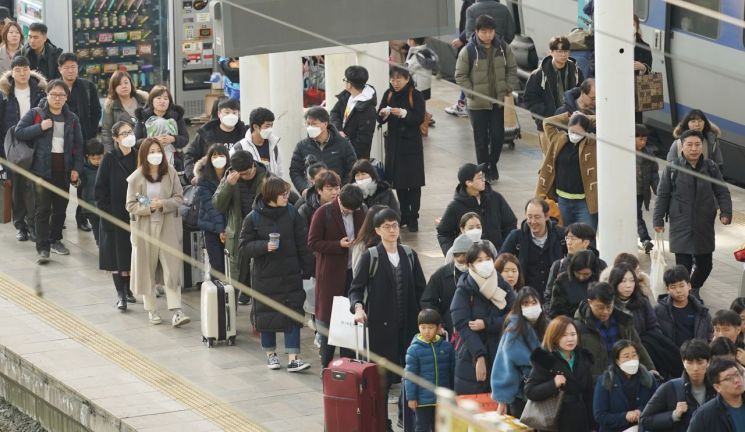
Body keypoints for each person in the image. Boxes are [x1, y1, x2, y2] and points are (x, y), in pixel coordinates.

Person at [350, 208, 426, 430]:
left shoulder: (409, 255)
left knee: (409, 376)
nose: (392, 230)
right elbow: (355, 288)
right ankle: (382, 422)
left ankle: (406, 418)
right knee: (381, 382)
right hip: (380, 332)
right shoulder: (371, 256)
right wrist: (358, 308)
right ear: (377, 230)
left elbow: (422, 291)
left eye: (394, 225)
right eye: (386, 226)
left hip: (408, 328)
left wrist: (428, 318)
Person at [239, 177, 314, 372]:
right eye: (283, 194)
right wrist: (264, 246)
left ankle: (293, 357)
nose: (286, 197)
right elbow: (244, 246)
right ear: (271, 195)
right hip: (265, 275)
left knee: (293, 314)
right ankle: (271, 354)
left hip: (290, 272)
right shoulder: (253, 217)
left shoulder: (292, 213)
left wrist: (308, 269)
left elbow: (302, 243)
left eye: (287, 194)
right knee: (267, 315)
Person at [653, 129, 732, 298]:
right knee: (683, 267)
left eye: (697, 144)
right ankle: (686, 298)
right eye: (689, 145)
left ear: (702, 147)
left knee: (705, 265)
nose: (694, 148)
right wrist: (658, 220)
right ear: (682, 147)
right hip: (680, 223)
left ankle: (693, 288)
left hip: (704, 223)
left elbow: (722, 191)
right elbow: (663, 195)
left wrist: (726, 212)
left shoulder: (710, 167)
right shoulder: (672, 169)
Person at [15, 79, 83, 263]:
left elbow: (79, 146)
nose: (58, 98)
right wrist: (40, 127)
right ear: (47, 94)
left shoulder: (72, 119)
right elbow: (19, 132)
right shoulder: (36, 113)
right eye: (54, 94)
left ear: (66, 97)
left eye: (62, 95)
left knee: (61, 209)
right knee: (42, 209)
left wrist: (77, 168)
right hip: (40, 170)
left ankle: (56, 240)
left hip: (63, 170)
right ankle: (43, 246)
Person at [125, 138, 190, 327]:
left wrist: (163, 204)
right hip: (145, 229)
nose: (156, 155)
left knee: (172, 267)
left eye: (158, 151)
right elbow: (131, 204)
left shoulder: (170, 172)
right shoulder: (136, 178)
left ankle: (176, 310)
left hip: (168, 225)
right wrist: (149, 207)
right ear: (144, 155)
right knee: (147, 269)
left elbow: (179, 197)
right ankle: (151, 310)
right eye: (151, 151)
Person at [308, 184, 366, 368]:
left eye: (352, 209)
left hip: (353, 271)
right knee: (328, 323)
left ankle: (348, 366)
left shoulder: (361, 210)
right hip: (330, 275)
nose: (349, 212)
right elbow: (313, 243)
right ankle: (326, 366)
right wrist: (337, 245)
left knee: (350, 319)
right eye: (346, 209)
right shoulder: (323, 212)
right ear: (339, 198)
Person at [455, 14, 518, 181]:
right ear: (476, 32)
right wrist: (472, 93)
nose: (488, 35)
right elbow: (460, 75)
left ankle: (492, 164)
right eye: (484, 32)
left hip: (497, 101)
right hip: (477, 105)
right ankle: (483, 170)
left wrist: (507, 88)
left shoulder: (503, 48)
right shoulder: (468, 50)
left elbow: (512, 69)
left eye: (491, 31)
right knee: (481, 139)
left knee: (498, 137)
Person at [450, 241, 515, 395]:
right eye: (479, 260)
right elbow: (462, 324)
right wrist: (479, 356)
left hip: (501, 352)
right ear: (470, 265)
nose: (485, 263)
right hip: (471, 356)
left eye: (488, 259)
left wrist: (487, 324)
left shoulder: (502, 284)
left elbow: (515, 316)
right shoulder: (465, 289)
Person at [0, 55, 46, 242]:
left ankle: (34, 224)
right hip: (13, 146)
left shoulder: (40, 92)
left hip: (37, 143)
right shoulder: (4, 95)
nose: (22, 73)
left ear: (30, 70)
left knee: (35, 186)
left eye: (25, 69)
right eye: (17, 70)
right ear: (12, 72)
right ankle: (21, 225)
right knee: (18, 186)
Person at [611, 263, 683, 381]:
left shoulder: (642, 300)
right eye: (623, 281)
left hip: (645, 349)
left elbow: (653, 326)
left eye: (631, 281)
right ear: (615, 282)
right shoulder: (610, 305)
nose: (628, 285)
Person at [212, 151, 268, 302]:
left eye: (246, 173)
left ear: (253, 166)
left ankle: (260, 322)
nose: (243, 176)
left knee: (263, 282)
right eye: (240, 173)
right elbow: (218, 205)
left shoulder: (266, 178)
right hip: (237, 234)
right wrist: (228, 186)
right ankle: (230, 321)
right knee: (233, 280)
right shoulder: (230, 178)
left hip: (261, 234)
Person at [57, 52, 102, 232]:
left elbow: (97, 111)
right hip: (62, 143)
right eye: (66, 67)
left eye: (73, 67)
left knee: (85, 181)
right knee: (61, 182)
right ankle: (59, 218)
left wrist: (90, 135)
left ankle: (82, 217)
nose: (70, 70)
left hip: (85, 140)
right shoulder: (55, 88)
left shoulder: (87, 86)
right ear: (59, 69)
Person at [525, 316, 595, 432]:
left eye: (573, 334)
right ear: (554, 337)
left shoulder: (582, 358)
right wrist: (553, 384)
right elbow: (530, 391)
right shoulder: (546, 360)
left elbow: (589, 394)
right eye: (564, 335)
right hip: (555, 420)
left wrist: (593, 425)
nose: (570, 339)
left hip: (580, 418)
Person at [573, 282, 655, 382]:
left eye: (609, 307)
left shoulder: (623, 321)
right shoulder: (579, 327)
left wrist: (650, 368)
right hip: (595, 381)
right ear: (590, 302)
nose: (605, 312)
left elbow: (637, 344)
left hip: (623, 377)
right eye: (600, 307)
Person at [377, 66, 426, 231]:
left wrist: (404, 114)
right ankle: (404, 214)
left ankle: (414, 217)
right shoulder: (388, 94)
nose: (395, 82)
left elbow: (419, 118)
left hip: (411, 146)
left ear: (407, 79)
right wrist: (384, 114)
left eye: (399, 79)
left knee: (414, 183)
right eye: (392, 79)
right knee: (399, 183)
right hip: (394, 146)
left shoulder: (415, 95)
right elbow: (380, 116)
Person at [95, 121, 137, 310]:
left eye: (130, 131)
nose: (129, 136)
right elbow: (100, 188)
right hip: (114, 214)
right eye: (124, 133)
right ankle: (120, 294)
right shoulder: (109, 159)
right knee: (116, 256)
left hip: (134, 215)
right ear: (116, 139)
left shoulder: (138, 157)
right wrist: (107, 213)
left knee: (130, 254)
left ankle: (128, 290)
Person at [492, 286, 547, 418]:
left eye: (534, 303)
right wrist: (503, 400)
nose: (531, 307)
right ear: (519, 307)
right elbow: (504, 366)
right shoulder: (513, 331)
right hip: (522, 396)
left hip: (546, 391)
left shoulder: (547, 326)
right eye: (526, 304)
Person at [437, 162, 516, 254]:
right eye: (479, 177)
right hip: (470, 259)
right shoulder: (455, 206)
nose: (484, 179)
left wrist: (505, 250)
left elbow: (510, 224)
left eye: (483, 176)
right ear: (469, 183)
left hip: (497, 256)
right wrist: (454, 254)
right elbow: (444, 233)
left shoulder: (496, 198)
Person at [537, 111, 598, 229]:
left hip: (584, 203)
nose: (574, 135)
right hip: (562, 201)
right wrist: (568, 117)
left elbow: (604, 122)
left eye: (578, 132)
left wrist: (585, 117)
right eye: (571, 131)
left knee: (586, 237)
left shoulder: (591, 144)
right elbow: (547, 122)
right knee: (564, 237)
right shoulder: (559, 140)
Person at [640, 339, 717, 432]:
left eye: (700, 363)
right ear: (683, 362)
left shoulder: (718, 386)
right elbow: (644, 420)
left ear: (708, 362)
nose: (695, 368)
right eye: (690, 363)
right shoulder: (670, 388)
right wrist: (674, 415)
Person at [524, 36, 584, 154]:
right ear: (550, 52)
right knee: (549, 163)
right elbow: (529, 99)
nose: (563, 55)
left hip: (571, 125)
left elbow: (583, 94)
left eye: (566, 51)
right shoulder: (539, 74)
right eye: (559, 51)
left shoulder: (576, 72)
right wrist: (544, 116)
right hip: (548, 126)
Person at [501, 198, 566, 301]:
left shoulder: (561, 235)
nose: (533, 222)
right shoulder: (516, 237)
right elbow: (500, 261)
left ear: (546, 216)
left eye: (537, 217)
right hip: (525, 296)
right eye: (529, 217)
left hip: (555, 295)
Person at [404, 309, 456, 432]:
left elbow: (452, 372)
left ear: (438, 327)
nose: (427, 331)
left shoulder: (447, 347)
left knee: (441, 428)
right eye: (423, 327)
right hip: (422, 401)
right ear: (418, 327)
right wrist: (411, 397)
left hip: (442, 400)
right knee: (422, 427)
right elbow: (410, 375)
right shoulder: (413, 350)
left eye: (431, 327)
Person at [593, 340, 659, 432]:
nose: (631, 359)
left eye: (634, 355)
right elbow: (600, 415)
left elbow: (657, 404)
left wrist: (640, 411)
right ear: (617, 360)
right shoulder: (605, 380)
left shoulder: (648, 378)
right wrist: (625, 417)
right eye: (626, 357)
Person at [289, 106, 357, 195]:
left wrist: (341, 188)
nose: (310, 127)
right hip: (313, 194)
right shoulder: (302, 146)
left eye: (314, 124)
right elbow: (295, 171)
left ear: (325, 124)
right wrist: (303, 189)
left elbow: (352, 168)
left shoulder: (343, 144)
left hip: (338, 194)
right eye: (308, 124)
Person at [421, 234, 473, 337]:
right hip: (450, 328)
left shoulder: (480, 272)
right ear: (454, 256)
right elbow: (428, 301)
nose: (463, 265)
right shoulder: (440, 275)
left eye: (466, 262)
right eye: (460, 261)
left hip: (474, 324)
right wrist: (438, 322)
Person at [184, 98, 248, 183]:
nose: (231, 115)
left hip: (239, 181)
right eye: (227, 112)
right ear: (219, 114)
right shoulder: (206, 133)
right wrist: (191, 176)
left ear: (238, 114)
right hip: (210, 182)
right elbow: (189, 155)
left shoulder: (245, 134)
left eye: (234, 112)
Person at [545, 222, 606, 303]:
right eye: (567, 238)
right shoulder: (559, 265)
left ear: (585, 242)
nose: (569, 242)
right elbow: (548, 295)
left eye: (573, 239)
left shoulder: (600, 265)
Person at [194, 144, 230, 280]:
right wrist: (221, 230)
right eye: (214, 155)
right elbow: (211, 207)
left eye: (221, 155)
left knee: (231, 265)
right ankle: (218, 296)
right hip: (211, 227)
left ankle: (231, 296)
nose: (218, 158)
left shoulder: (232, 176)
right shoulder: (204, 179)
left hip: (230, 227)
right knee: (217, 265)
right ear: (209, 159)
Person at [655, 265, 714, 347]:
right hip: (669, 356)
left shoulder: (701, 310)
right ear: (667, 289)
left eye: (682, 286)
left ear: (689, 286)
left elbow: (710, 335)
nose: (678, 290)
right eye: (673, 287)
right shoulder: (659, 311)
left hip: (695, 357)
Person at [134, 85, 189, 167]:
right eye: (158, 98)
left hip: (174, 161)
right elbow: (136, 142)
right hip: (149, 160)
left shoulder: (176, 116)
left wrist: (173, 138)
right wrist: (153, 140)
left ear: (169, 102)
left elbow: (185, 139)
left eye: (166, 98)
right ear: (151, 100)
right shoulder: (143, 117)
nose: (162, 101)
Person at [329, 65, 377, 159]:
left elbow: (363, 140)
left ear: (350, 84)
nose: (344, 82)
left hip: (355, 158)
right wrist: (339, 130)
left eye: (345, 80)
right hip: (340, 150)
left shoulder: (368, 109)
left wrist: (346, 150)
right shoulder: (347, 96)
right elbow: (334, 113)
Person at [687, 358, 745, 431]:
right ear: (717, 387)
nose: (737, 380)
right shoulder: (704, 415)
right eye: (728, 378)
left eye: (737, 374)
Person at [101, 71, 148, 152]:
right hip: (123, 150)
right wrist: (110, 154)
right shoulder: (110, 106)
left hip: (145, 148)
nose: (124, 86)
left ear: (131, 83)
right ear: (114, 88)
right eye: (119, 84)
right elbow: (107, 133)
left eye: (126, 82)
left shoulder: (144, 100)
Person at [444, 0, 475, 118]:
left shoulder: (474, 3)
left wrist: (462, 38)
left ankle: (463, 104)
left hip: (470, 42)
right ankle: (464, 103)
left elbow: (475, 21)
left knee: (466, 73)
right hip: (476, 42)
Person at [548, 250, 600, 318]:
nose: (581, 277)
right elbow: (556, 312)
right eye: (578, 273)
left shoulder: (599, 281)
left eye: (586, 274)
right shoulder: (562, 281)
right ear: (572, 269)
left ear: (593, 271)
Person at [233, 107, 281, 177]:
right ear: (255, 126)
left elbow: (279, 171)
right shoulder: (239, 148)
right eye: (267, 126)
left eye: (271, 125)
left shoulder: (274, 145)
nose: (270, 129)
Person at [635, 124, 659, 254]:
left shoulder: (648, 153)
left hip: (640, 191)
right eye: (640, 139)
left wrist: (658, 190)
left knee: (636, 214)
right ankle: (644, 239)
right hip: (625, 192)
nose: (643, 142)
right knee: (635, 215)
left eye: (645, 139)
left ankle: (644, 240)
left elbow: (654, 174)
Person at [405, 37, 435, 134]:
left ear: (412, 41)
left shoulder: (417, 55)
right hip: (425, 85)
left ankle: (423, 128)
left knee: (417, 107)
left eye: (408, 39)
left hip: (418, 86)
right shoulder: (426, 51)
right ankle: (426, 116)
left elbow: (409, 68)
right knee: (420, 105)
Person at [77, 138, 103, 244]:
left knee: (104, 232)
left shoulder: (105, 167)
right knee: (97, 233)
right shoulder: (83, 169)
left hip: (103, 207)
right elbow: (79, 186)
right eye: (94, 159)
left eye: (99, 158)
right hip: (91, 208)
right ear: (87, 156)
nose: (97, 161)